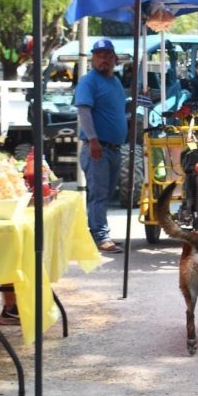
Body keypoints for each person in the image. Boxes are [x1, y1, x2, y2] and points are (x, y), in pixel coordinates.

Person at [75, 38, 126, 254]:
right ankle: (99, 236)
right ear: (93, 59)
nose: (103, 59)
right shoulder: (89, 81)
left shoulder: (115, 82)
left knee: (106, 193)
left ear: (114, 58)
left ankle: (101, 232)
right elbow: (84, 111)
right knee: (99, 193)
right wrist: (93, 139)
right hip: (98, 147)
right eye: (99, 55)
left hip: (113, 148)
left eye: (107, 55)